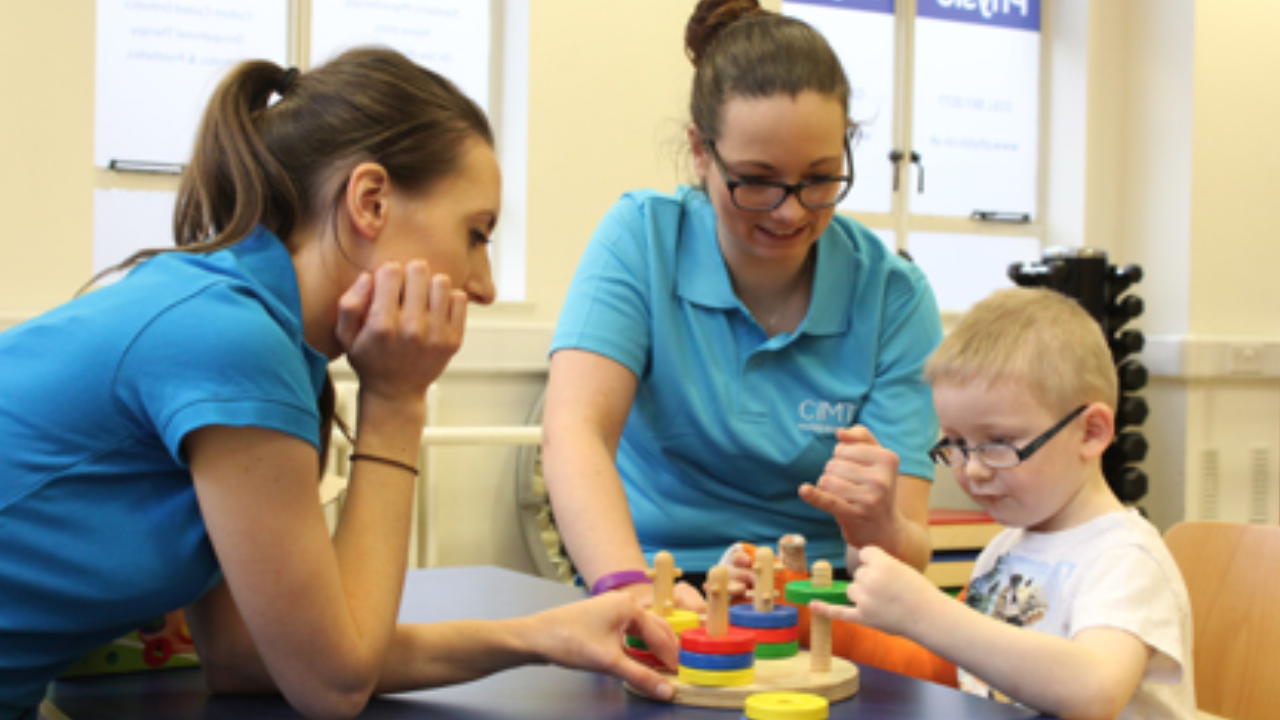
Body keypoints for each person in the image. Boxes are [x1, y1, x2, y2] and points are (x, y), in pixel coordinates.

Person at [0, 48, 678, 720]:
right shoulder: (227, 337)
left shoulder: (248, 325)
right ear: (371, 200)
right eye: (476, 234)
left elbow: (249, 655)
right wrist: (396, 401)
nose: (486, 286)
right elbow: (331, 683)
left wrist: (540, 635)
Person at [543, 0, 943, 613]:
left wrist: (879, 524)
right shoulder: (641, 240)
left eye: (820, 177)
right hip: (654, 578)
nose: (791, 211)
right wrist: (631, 592)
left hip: (821, 592)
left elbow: (901, 551)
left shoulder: (893, 296)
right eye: (757, 179)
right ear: (701, 152)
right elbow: (575, 433)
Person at [812, 287, 1197, 719]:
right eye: (956, 443)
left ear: (1090, 433)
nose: (972, 471)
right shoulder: (1004, 550)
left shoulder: (1126, 560)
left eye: (998, 442)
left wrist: (928, 613)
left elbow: (1096, 691)